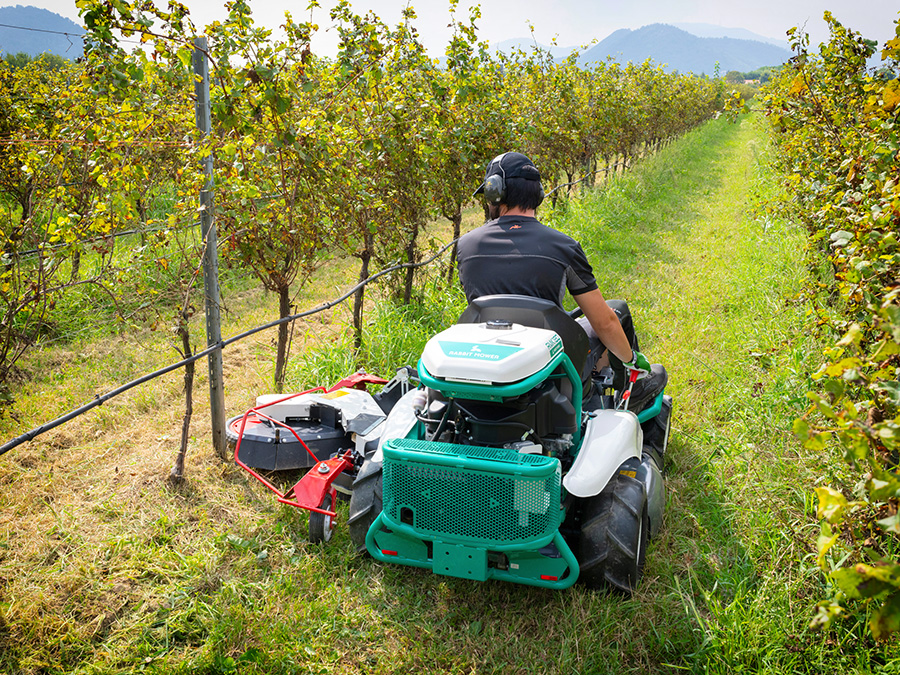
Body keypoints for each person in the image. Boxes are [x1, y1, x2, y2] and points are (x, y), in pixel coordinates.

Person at [456, 151, 667, 414]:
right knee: (616, 311)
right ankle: (634, 389)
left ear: (493, 193)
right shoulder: (563, 246)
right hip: (552, 372)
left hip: (488, 361)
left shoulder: (465, 246)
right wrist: (633, 360)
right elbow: (604, 323)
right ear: (539, 194)